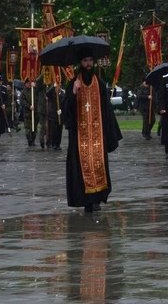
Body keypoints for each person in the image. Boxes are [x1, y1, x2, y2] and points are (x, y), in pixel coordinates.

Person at [64, 48, 122, 213]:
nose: (88, 64)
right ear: (80, 63)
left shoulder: (100, 84)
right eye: (85, 61)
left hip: (97, 135)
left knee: (98, 165)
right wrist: (73, 93)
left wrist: (110, 134)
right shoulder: (73, 83)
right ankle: (86, 200)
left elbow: (107, 111)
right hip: (79, 136)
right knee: (82, 168)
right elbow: (66, 110)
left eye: (90, 60)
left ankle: (97, 199)